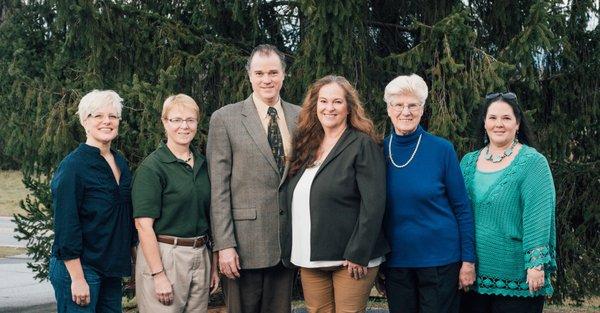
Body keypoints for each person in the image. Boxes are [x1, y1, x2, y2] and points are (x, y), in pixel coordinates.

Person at [281, 75, 389, 313]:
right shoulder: (307, 144)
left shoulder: (362, 144)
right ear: (315, 105)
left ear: (349, 107)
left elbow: (374, 204)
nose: (329, 108)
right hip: (310, 257)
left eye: (337, 102)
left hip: (350, 259)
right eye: (323, 101)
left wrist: (359, 252)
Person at [206, 44, 301, 313]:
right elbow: (219, 187)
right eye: (259, 73)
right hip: (243, 247)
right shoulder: (225, 118)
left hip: (286, 244)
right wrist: (224, 245)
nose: (267, 79)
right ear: (249, 76)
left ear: (284, 74)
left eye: (273, 72)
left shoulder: (301, 116)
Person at [381, 74, 476, 313]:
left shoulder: (442, 149)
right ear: (389, 109)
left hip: (441, 262)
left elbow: (462, 208)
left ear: (422, 109)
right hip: (396, 262)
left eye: (413, 105)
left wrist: (468, 261)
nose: (406, 111)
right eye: (399, 105)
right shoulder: (378, 150)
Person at [459, 92, 556, 313]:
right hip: (470, 276)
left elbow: (538, 216)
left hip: (518, 278)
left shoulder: (533, 163)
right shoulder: (467, 162)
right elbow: (458, 215)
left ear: (518, 123)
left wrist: (536, 265)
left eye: (506, 118)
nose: (498, 124)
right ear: (484, 123)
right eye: (492, 118)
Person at [49, 90, 136, 312]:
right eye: (98, 116)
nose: (107, 121)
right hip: (80, 269)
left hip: (110, 270)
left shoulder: (120, 162)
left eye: (113, 116)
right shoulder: (73, 167)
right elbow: (66, 225)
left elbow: (124, 218)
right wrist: (77, 279)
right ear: (84, 122)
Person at [132, 94, 219, 312]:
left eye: (190, 120)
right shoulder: (152, 168)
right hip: (166, 255)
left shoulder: (202, 164)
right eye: (176, 120)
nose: (184, 126)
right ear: (164, 122)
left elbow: (212, 216)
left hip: (200, 254)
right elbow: (143, 226)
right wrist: (158, 274)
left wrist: (213, 266)